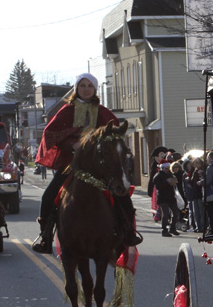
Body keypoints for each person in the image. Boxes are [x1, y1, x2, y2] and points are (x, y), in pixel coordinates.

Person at [31, 72, 142, 254]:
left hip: (99, 166)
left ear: (95, 89)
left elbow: (115, 136)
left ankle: (128, 230)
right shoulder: (66, 111)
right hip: (71, 164)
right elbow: (50, 133)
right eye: (82, 86)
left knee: (121, 193)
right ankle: (46, 235)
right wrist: (70, 144)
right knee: (48, 196)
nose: (86, 89)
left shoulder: (104, 112)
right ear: (76, 89)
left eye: (90, 86)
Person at [153, 161, 180, 237]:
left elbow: (173, 183)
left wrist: (174, 182)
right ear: (162, 168)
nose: (167, 169)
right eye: (165, 168)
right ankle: (164, 230)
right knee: (165, 214)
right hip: (162, 198)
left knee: (176, 213)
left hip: (171, 197)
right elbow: (158, 186)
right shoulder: (157, 176)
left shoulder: (170, 174)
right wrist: (167, 182)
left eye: (168, 168)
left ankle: (172, 228)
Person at [203, 151, 213, 233]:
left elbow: (208, 180)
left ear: (210, 158)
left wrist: (201, 182)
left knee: (211, 212)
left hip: (211, 192)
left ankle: (212, 229)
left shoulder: (211, 167)